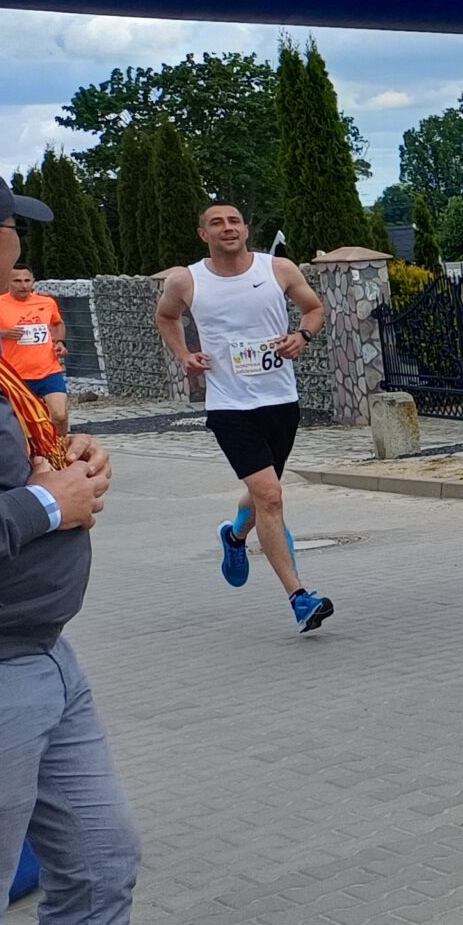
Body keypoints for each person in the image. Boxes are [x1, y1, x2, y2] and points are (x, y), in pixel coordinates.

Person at [0, 155, 244, 925]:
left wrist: (60, 460)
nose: (22, 245)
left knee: (99, 861)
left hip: (40, 656)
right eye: (14, 230)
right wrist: (46, 506)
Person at [153, 201, 333, 633]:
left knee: (262, 495)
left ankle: (234, 536)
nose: (227, 228)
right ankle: (299, 597)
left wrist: (302, 336)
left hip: (280, 401)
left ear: (246, 230)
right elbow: (166, 316)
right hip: (229, 406)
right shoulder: (186, 280)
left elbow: (314, 309)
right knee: (270, 496)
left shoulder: (278, 269)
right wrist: (184, 354)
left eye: (234, 221)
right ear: (204, 235)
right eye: (217, 223)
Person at [0, 264, 71, 433]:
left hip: (49, 371)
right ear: (7, 282)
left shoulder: (47, 302)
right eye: (17, 281)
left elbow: (57, 323)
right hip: (16, 375)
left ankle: (61, 445)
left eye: (27, 280)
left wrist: (60, 342)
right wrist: (4, 334)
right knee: (22, 422)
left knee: (60, 415)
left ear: (33, 281)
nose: (23, 285)